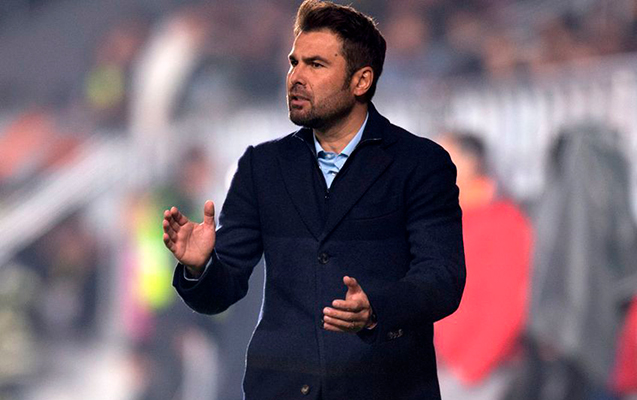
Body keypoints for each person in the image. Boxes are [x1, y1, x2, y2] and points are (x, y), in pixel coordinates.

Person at [162, 1, 465, 399]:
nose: (296, 77)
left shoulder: (420, 163)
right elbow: (223, 290)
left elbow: (442, 278)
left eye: (316, 65)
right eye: (294, 63)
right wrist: (200, 267)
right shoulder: (260, 166)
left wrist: (377, 308)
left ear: (361, 80)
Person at [435, 132, 532, 400]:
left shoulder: (503, 221)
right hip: (443, 365)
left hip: (480, 376)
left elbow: (509, 305)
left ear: (469, 163)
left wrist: (472, 368)